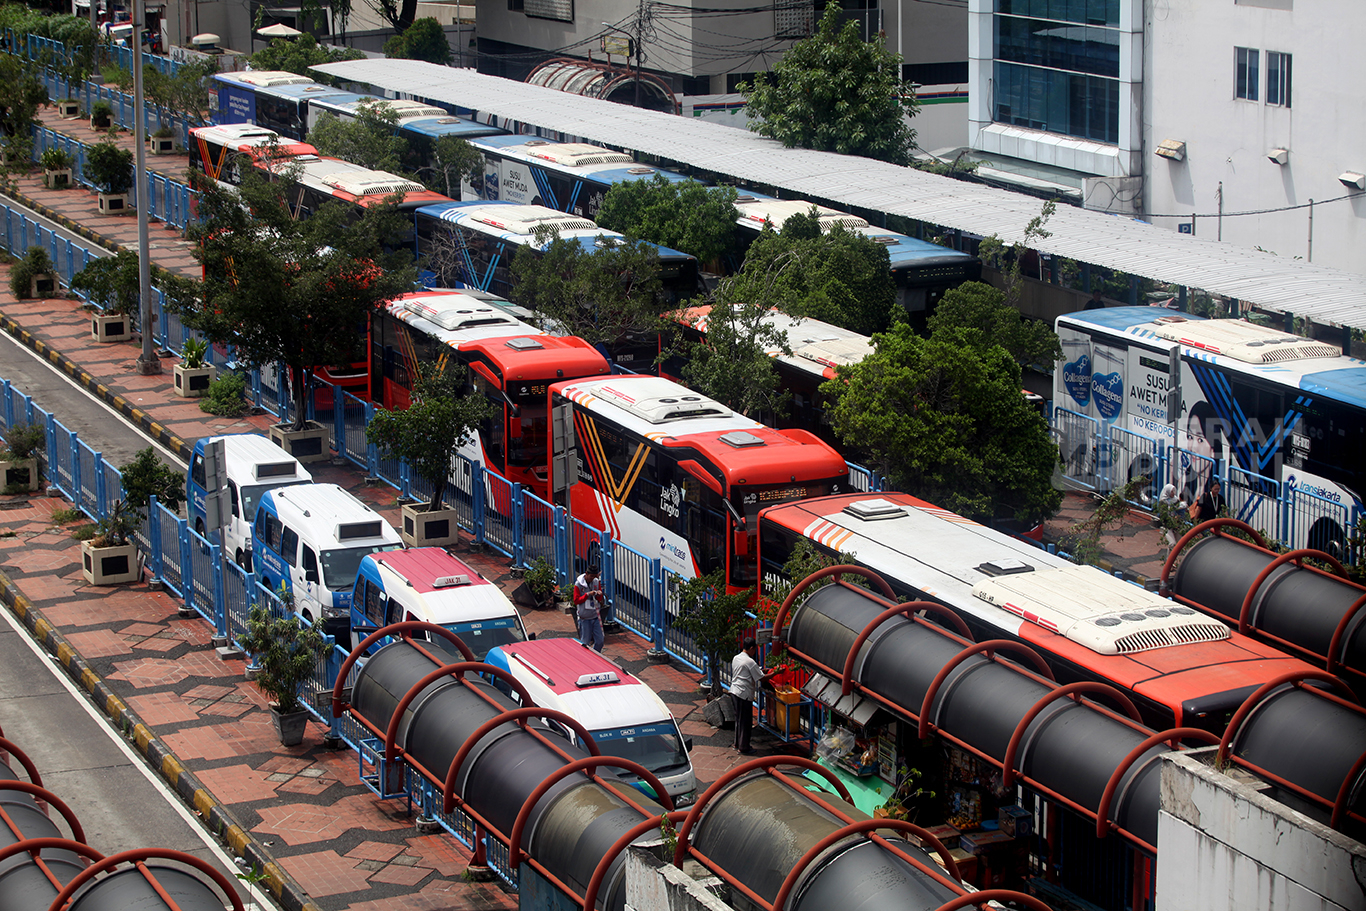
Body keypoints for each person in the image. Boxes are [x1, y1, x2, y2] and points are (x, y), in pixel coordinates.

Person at [729, 636, 775, 755]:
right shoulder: (750, 661)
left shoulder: (736, 658)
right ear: (751, 648)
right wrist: (775, 673)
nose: (755, 652)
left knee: (739, 720)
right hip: (743, 694)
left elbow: (751, 672)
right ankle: (744, 747)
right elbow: (762, 678)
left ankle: (737, 743)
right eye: (754, 649)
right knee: (745, 721)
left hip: (734, 691)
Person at [573, 563, 605, 652]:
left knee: (600, 641)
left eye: (594, 576)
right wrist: (587, 595)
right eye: (591, 576)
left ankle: (595, 654)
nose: (592, 579)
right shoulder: (578, 584)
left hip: (595, 617)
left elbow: (599, 598)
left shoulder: (595, 582)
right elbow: (576, 600)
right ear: (586, 573)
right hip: (584, 618)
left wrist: (599, 595)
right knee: (585, 643)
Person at [1155, 483, 1186, 548]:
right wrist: (1171, 519)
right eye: (1172, 491)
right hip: (1167, 526)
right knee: (1172, 543)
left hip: (1176, 525)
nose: (1173, 493)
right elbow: (1163, 515)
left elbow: (1179, 509)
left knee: (1180, 543)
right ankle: (1169, 557)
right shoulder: (1163, 502)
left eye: (1174, 491)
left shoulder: (1175, 500)